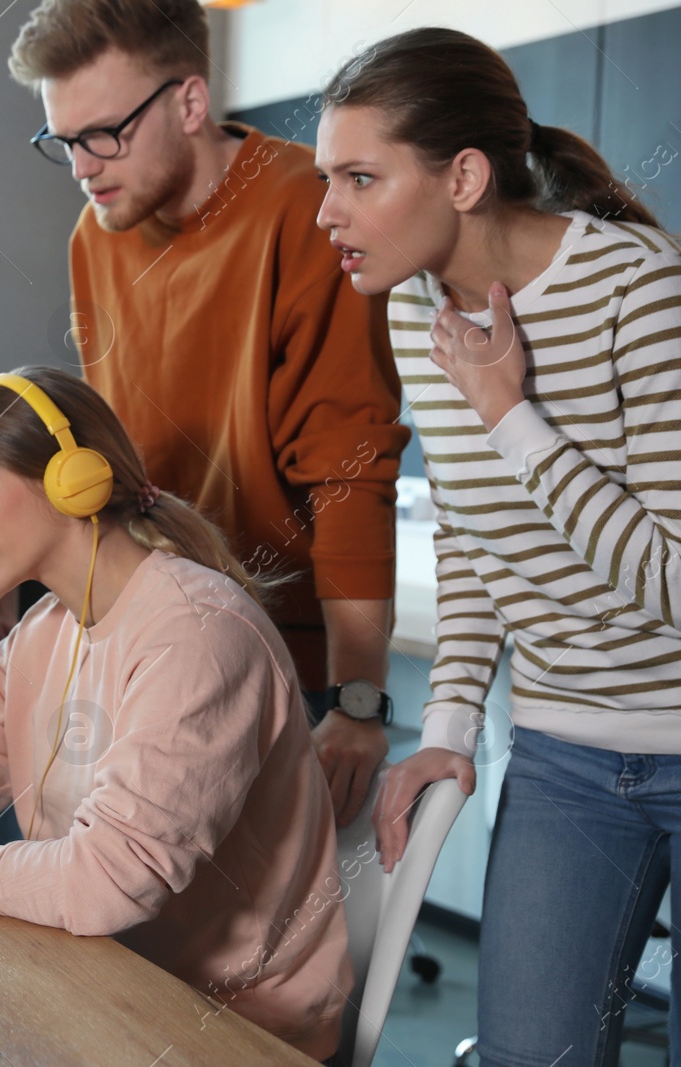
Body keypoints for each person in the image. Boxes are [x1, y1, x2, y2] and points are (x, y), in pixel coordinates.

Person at [0, 367, 349, 1058]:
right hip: (98, 983)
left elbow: (105, 885)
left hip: (236, 1031)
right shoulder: (45, 631)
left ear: (71, 476)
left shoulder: (197, 632)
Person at [314, 27, 681, 1064]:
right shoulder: (411, 312)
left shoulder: (635, 288)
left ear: (464, 176)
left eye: (357, 177)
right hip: (563, 754)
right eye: (324, 178)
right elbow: (481, 540)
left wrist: (508, 412)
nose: (323, 212)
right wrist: (447, 725)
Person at [0, 0, 409, 828]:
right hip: (143, 636)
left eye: (102, 134)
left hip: (274, 653)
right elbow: (109, 453)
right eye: (63, 142)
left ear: (188, 103)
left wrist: (360, 701)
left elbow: (349, 471)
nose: (82, 165)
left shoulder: (305, 210)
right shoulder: (95, 234)